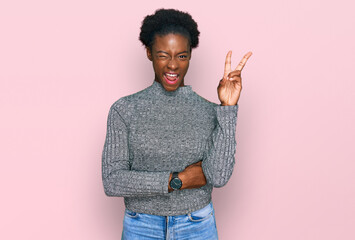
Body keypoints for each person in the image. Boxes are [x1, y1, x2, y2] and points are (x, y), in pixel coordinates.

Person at [101, 8, 252, 240]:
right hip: (142, 225)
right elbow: (112, 181)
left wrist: (228, 108)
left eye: (181, 56)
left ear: (190, 56)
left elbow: (218, 177)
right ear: (149, 53)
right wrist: (176, 180)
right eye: (163, 55)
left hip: (197, 225)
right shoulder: (125, 110)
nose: (173, 65)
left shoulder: (210, 111)